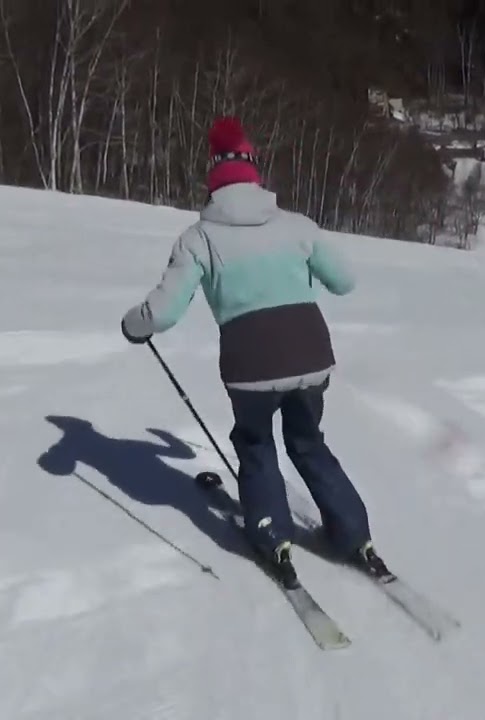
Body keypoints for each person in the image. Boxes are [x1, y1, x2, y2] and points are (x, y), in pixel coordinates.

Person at [120, 116, 390, 588]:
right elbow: (345, 281)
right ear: (254, 175)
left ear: (214, 182)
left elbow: (162, 312)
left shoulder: (198, 238)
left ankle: (271, 537)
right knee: (308, 442)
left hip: (250, 364)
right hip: (311, 355)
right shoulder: (297, 226)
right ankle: (354, 534)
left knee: (257, 444)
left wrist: (134, 324)